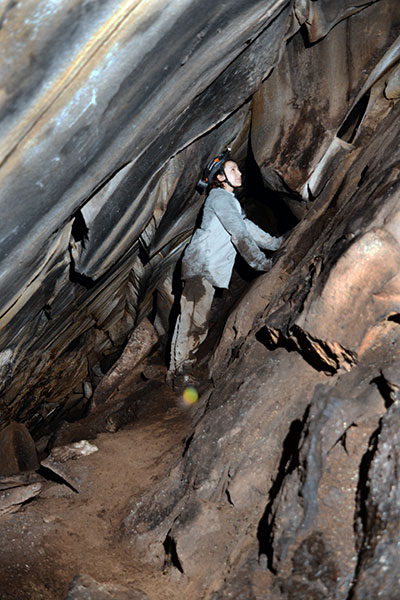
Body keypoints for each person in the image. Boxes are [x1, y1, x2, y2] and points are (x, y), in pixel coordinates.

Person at [167, 150, 285, 386]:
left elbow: (247, 227)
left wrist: (276, 243)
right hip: (200, 267)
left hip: (207, 270)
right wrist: (262, 264)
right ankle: (178, 373)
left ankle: (184, 367)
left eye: (237, 169)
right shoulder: (219, 198)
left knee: (198, 320)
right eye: (233, 170)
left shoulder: (229, 202)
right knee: (192, 320)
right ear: (220, 177)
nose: (239, 172)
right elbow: (239, 235)